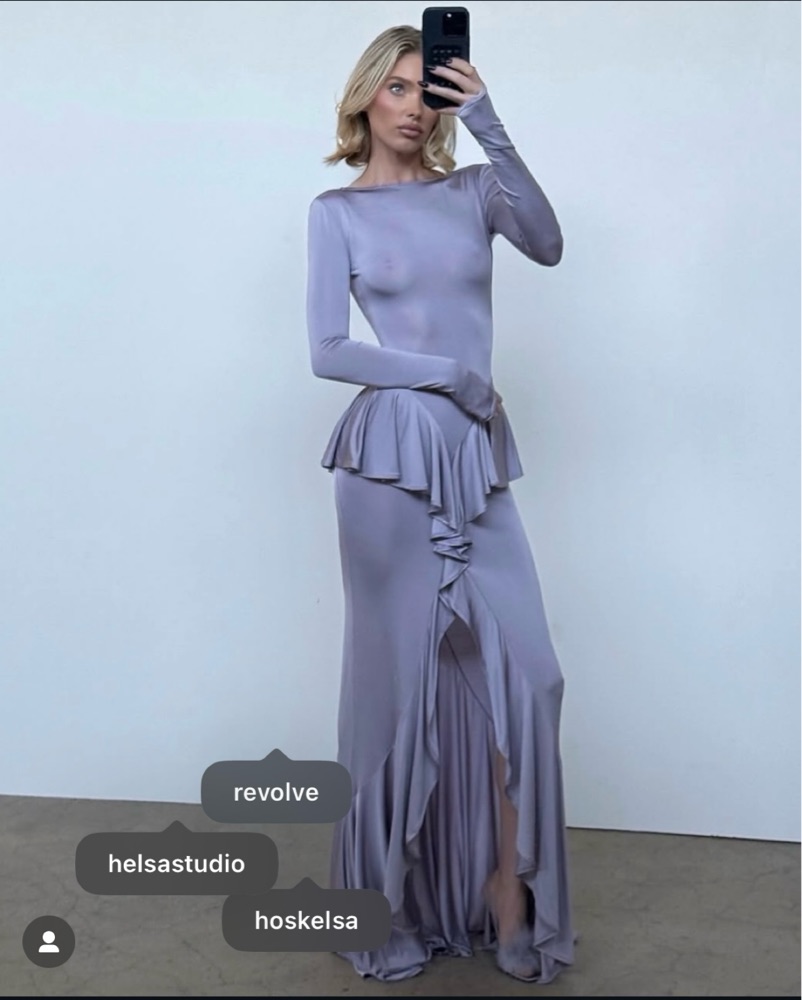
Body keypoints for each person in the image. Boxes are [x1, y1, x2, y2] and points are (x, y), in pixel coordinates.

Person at [305, 24, 575, 984]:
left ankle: (507, 893)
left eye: (431, 90)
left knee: (527, 679)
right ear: (365, 97)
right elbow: (328, 351)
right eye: (398, 87)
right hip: (389, 462)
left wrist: (491, 120)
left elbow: (548, 243)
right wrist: (448, 375)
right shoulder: (336, 211)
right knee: (396, 691)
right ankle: (381, 903)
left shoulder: (473, 192)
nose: (415, 106)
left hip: (474, 461)